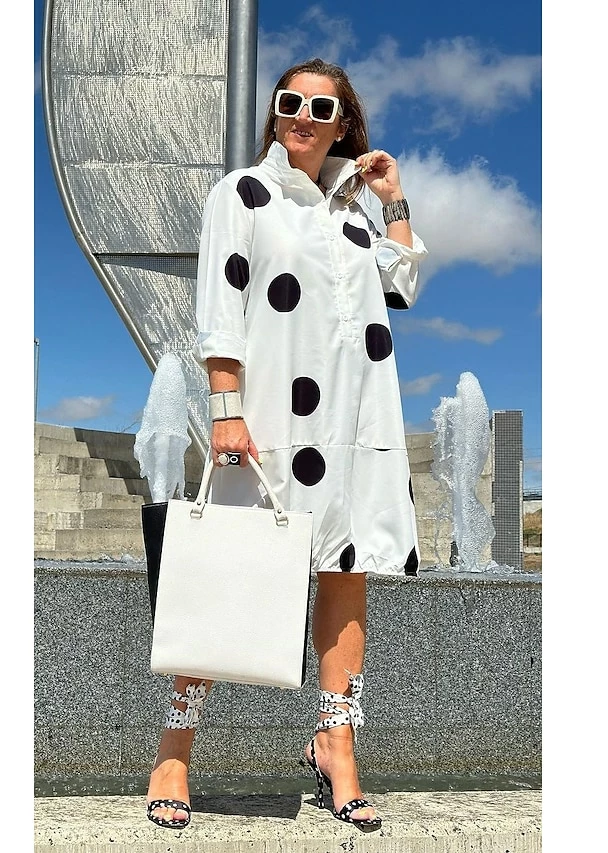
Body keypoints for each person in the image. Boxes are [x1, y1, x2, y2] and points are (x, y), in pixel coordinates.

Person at [146, 57, 428, 831]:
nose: (303, 115)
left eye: (321, 107)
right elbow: (220, 306)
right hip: (271, 420)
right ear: (275, 111)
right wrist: (225, 410)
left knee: (347, 570)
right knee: (223, 574)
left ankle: (337, 745)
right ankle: (174, 749)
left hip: (355, 422)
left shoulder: (354, 215)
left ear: (343, 125)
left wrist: (392, 199)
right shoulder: (242, 192)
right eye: (290, 101)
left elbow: (402, 283)